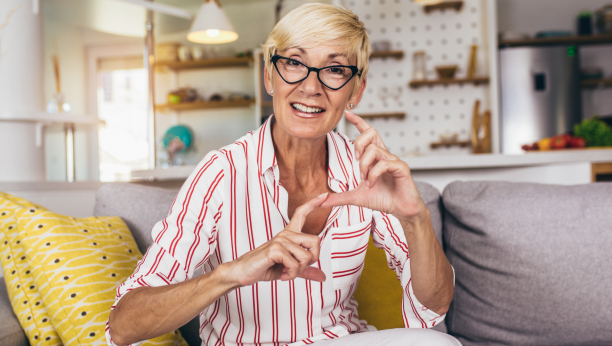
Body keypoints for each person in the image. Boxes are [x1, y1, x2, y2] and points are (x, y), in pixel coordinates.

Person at [107, 3, 458, 346]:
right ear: (269, 77)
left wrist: (416, 218)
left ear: (356, 91)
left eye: (335, 70)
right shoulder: (222, 173)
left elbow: (433, 307)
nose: (310, 87)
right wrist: (230, 273)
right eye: (293, 63)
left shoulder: (364, 168)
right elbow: (124, 326)